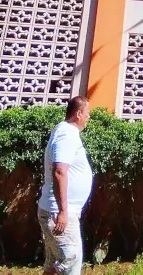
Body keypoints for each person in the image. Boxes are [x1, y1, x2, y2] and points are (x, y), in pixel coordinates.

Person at [37, 96, 93, 275]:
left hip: (57, 211)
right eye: (87, 113)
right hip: (58, 212)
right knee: (71, 262)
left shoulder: (66, 132)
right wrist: (63, 211)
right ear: (78, 114)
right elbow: (59, 170)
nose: (88, 118)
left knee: (53, 264)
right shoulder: (67, 133)